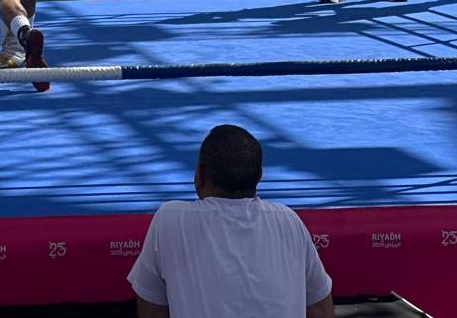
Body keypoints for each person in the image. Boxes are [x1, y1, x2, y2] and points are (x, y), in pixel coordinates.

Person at [127, 124, 333, 318]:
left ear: (199, 175)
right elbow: (321, 308)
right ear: (259, 176)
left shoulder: (170, 220)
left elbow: (152, 310)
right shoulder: (288, 221)